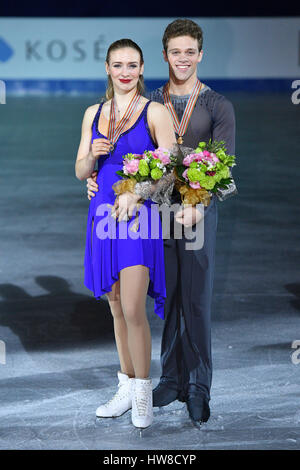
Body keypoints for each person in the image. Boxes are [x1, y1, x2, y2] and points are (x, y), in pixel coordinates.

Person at [86, 19, 236, 424]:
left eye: (190, 52)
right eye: (175, 52)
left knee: (197, 301)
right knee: (166, 301)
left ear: (200, 54)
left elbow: (223, 166)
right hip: (152, 215)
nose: (183, 59)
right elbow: (130, 156)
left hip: (194, 213)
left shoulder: (217, 105)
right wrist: (99, 181)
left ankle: (199, 386)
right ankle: (169, 379)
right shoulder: (149, 101)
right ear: (164, 56)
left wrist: (197, 203)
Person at [75, 38, 176, 429]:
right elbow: (81, 171)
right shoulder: (93, 113)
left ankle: (143, 394)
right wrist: (92, 156)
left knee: (134, 308)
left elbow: (171, 171)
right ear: (106, 67)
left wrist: (139, 192)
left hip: (139, 215)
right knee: (116, 305)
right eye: (118, 65)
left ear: (142, 67)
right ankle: (126, 386)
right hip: (101, 213)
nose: (125, 72)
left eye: (132, 65)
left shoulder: (155, 112)